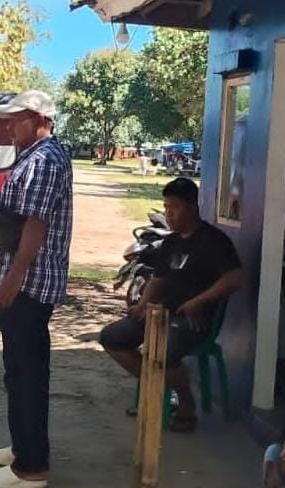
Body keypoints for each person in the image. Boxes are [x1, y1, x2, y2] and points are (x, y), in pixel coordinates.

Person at [0, 90, 73, 488]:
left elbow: (35, 223)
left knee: (27, 375)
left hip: (28, 286)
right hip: (23, 283)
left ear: (40, 119)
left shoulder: (45, 159)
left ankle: (31, 468)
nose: (10, 128)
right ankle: (23, 448)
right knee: (18, 372)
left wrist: (14, 277)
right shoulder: (34, 156)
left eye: (17, 120)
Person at [99, 177, 244, 432]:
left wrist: (198, 302)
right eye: (165, 207)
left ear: (192, 207)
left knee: (165, 350)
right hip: (160, 313)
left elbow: (236, 278)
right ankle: (159, 390)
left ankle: (186, 404)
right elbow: (158, 280)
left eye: (174, 207)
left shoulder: (214, 241)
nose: (168, 213)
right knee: (111, 338)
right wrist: (143, 304)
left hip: (194, 320)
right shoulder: (171, 242)